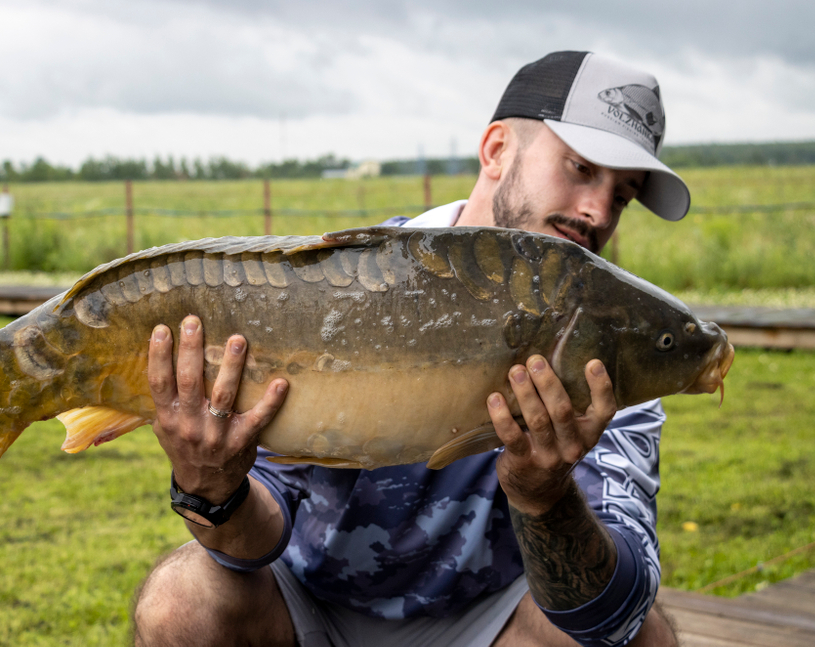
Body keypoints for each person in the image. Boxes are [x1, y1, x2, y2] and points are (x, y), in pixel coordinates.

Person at [132, 51, 690, 646]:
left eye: (623, 195)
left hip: (487, 621)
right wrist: (211, 491)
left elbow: (615, 615)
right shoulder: (355, 283)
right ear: (497, 150)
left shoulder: (608, 346)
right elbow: (252, 541)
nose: (598, 211)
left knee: (645, 641)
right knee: (179, 605)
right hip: (310, 602)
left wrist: (546, 498)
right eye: (580, 168)